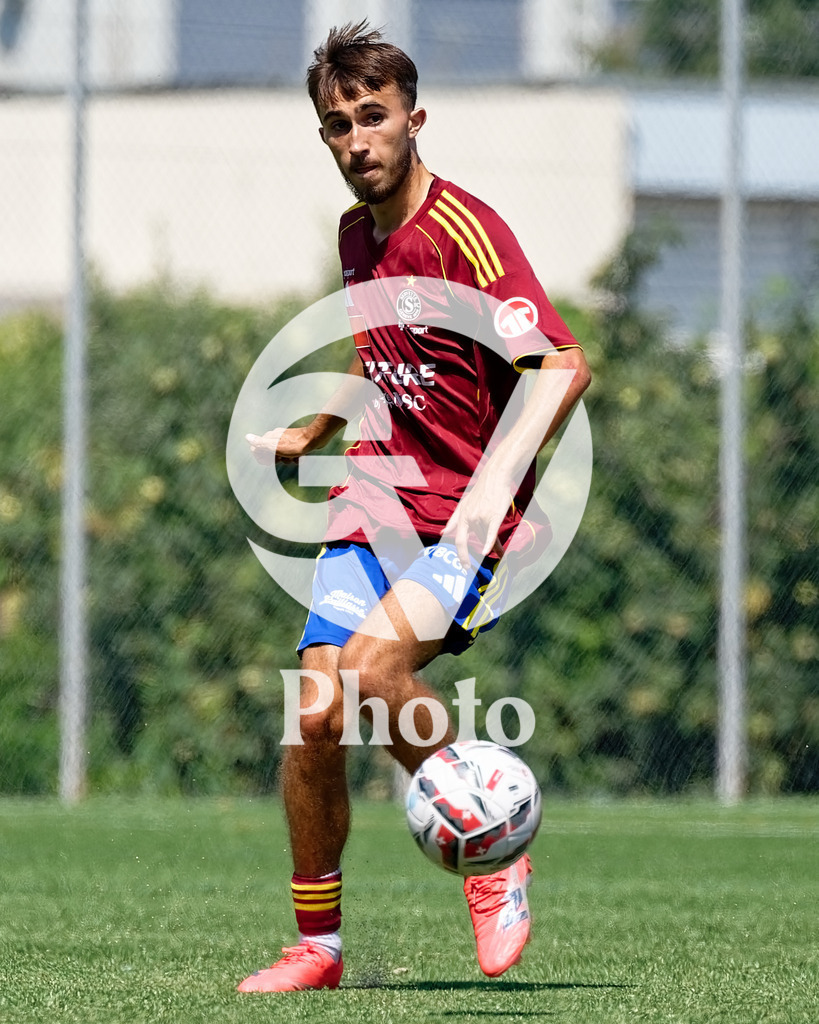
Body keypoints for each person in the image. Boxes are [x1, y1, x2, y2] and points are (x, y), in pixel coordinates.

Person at [238, 21, 591, 993]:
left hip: (463, 517)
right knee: (314, 712)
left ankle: (495, 846)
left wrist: (488, 492)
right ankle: (318, 946)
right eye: (338, 124)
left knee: (374, 667)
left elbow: (560, 365)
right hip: (376, 500)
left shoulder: (466, 232)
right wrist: (318, 426)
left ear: (414, 117)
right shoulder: (358, 235)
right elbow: (382, 348)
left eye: (374, 116)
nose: (359, 139)